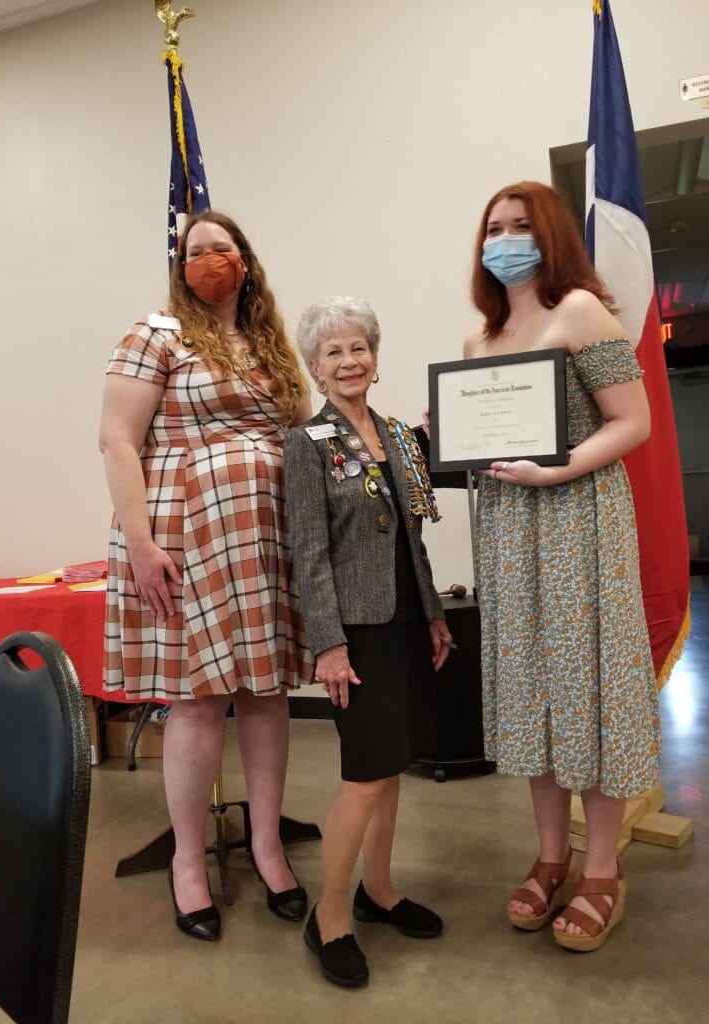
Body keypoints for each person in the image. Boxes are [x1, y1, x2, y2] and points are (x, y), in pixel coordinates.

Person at [99, 210, 314, 942]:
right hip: (185, 537)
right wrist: (138, 542)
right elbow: (117, 438)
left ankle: (266, 845)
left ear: (244, 262)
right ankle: (187, 862)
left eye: (222, 248)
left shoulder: (270, 345)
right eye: (195, 251)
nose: (210, 259)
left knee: (265, 696)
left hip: (267, 541)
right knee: (196, 704)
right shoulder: (157, 332)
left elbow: (302, 433)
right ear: (179, 265)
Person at [462, 180, 661, 951]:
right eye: (494, 228)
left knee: (589, 689)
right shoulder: (482, 337)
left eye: (520, 226)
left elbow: (632, 420)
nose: (505, 238)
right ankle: (551, 856)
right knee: (535, 694)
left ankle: (603, 868)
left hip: (578, 520)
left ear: (549, 236)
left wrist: (557, 469)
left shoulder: (579, 310)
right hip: (510, 534)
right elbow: (489, 437)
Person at [284, 297, 453, 987]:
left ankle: (377, 891)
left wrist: (436, 613)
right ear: (316, 367)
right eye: (334, 353)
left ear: (374, 358)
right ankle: (329, 917)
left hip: (408, 620)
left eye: (359, 348)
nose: (350, 361)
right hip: (356, 632)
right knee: (362, 778)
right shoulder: (309, 443)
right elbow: (309, 551)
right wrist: (327, 643)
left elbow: (415, 535)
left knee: (390, 769)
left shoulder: (399, 438)